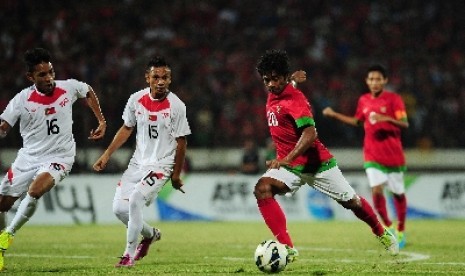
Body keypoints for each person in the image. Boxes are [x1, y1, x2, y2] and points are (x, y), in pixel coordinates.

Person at [254, 49, 399, 263]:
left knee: (352, 203)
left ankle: (381, 232)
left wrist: (287, 158)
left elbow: (310, 133)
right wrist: (292, 79)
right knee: (262, 188)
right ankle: (287, 248)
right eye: (267, 80)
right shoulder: (277, 91)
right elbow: (284, 86)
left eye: (275, 79)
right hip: (290, 167)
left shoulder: (295, 100)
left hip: (317, 164)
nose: (271, 85)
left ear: (283, 77)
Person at [0, 47, 107, 270]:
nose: (49, 78)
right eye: (42, 74)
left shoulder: (67, 88)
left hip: (60, 156)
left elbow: (87, 91)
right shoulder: (22, 100)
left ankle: (7, 236)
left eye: (51, 72)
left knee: (35, 190)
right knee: (2, 205)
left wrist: (101, 120)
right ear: (30, 77)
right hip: (28, 158)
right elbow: (4, 127)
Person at [93, 56, 191, 268]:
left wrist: (175, 174)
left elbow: (181, 142)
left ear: (170, 79)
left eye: (165, 77)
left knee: (136, 198)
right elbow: (127, 128)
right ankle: (150, 235)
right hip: (137, 164)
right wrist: (107, 154)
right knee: (119, 209)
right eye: (156, 77)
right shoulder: (135, 100)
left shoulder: (177, 106)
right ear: (147, 78)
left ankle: (128, 255)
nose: (161, 81)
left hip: (162, 165)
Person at [322, 64, 408, 248]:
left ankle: (401, 230)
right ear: (367, 81)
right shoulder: (364, 100)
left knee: (398, 193)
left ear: (384, 81)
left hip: (393, 155)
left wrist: (386, 119)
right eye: (371, 79)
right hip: (372, 155)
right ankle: (389, 226)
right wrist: (335, 115)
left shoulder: (394, 100)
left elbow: (404, 123)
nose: (374, 82)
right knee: (376, 190)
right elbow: (357, 121)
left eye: (378, 79)